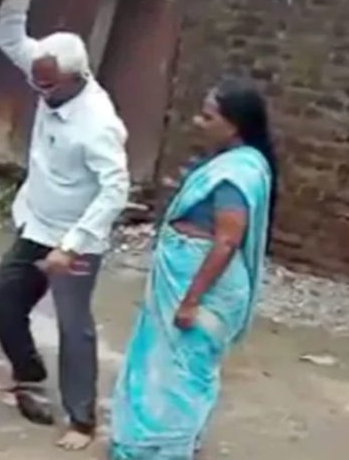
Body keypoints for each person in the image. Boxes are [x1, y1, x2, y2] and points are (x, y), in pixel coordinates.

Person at [0, 0, 130, 451]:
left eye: (48, 86)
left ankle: (82, 419)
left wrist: (72, 246)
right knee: (3, 297)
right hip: (36, 221)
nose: (40, 92)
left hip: (75, 237)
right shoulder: (47, 69)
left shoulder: (98, 123)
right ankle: (27, 373)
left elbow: (115, 189)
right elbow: (11, 39)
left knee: (73, 327)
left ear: (76, 77)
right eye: (37, 82)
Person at [110, 76, 279, 460]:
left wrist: (191, 300)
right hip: (185, 273)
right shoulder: (227, 163)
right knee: (162, 365)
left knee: (183, 371)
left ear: (233, 125)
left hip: (203, 285)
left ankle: (166, 450)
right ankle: (147, 444)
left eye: (208, 117)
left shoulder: (237, 174)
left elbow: (226, 241)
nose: (198, 123)